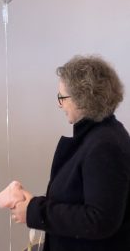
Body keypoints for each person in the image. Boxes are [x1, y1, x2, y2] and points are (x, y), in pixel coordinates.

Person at [11, 55, 130, 251]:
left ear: (83, 99)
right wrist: (33, 204)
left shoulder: (104, 145)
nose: (60, 104)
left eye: (62, 97)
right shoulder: (101, 136)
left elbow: (99, 220)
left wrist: (34, 211)